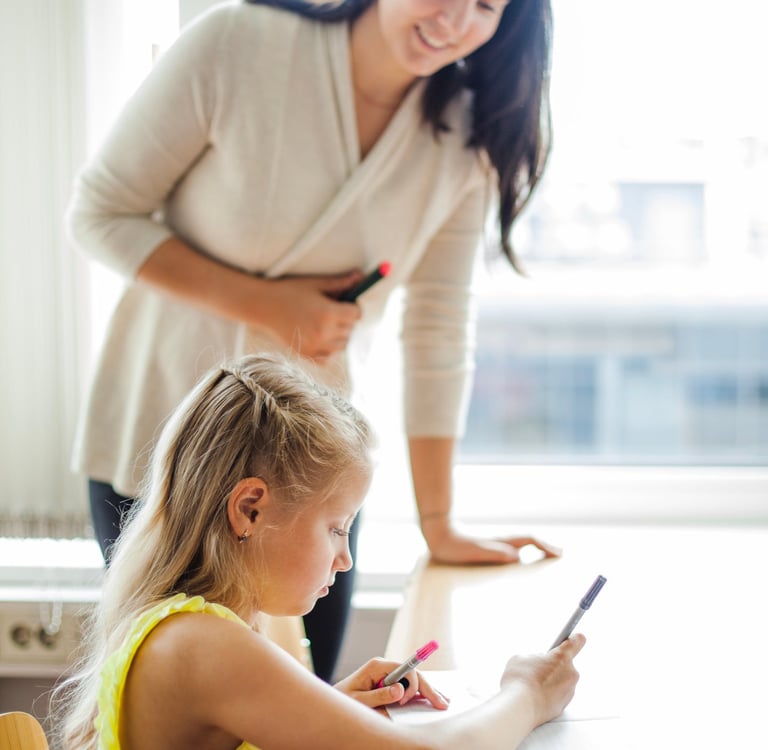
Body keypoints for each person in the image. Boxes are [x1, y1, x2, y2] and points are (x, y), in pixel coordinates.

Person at [66, 0, 560, 681]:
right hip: (163, 445)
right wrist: (269, 304)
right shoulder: (236, 42)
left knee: (306, 705)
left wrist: (438, 522)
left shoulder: (466, 137)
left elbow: (438, 327)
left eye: (484, 5)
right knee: (176, 705)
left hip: (312, 479)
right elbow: (100, 213)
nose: (455, 18)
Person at [55, 353, 585, 750]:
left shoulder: (191, 629)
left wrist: (333, 707)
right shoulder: (202, 645)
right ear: (251, 509)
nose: (345, 558)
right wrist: (527, 694)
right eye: (336, 528)